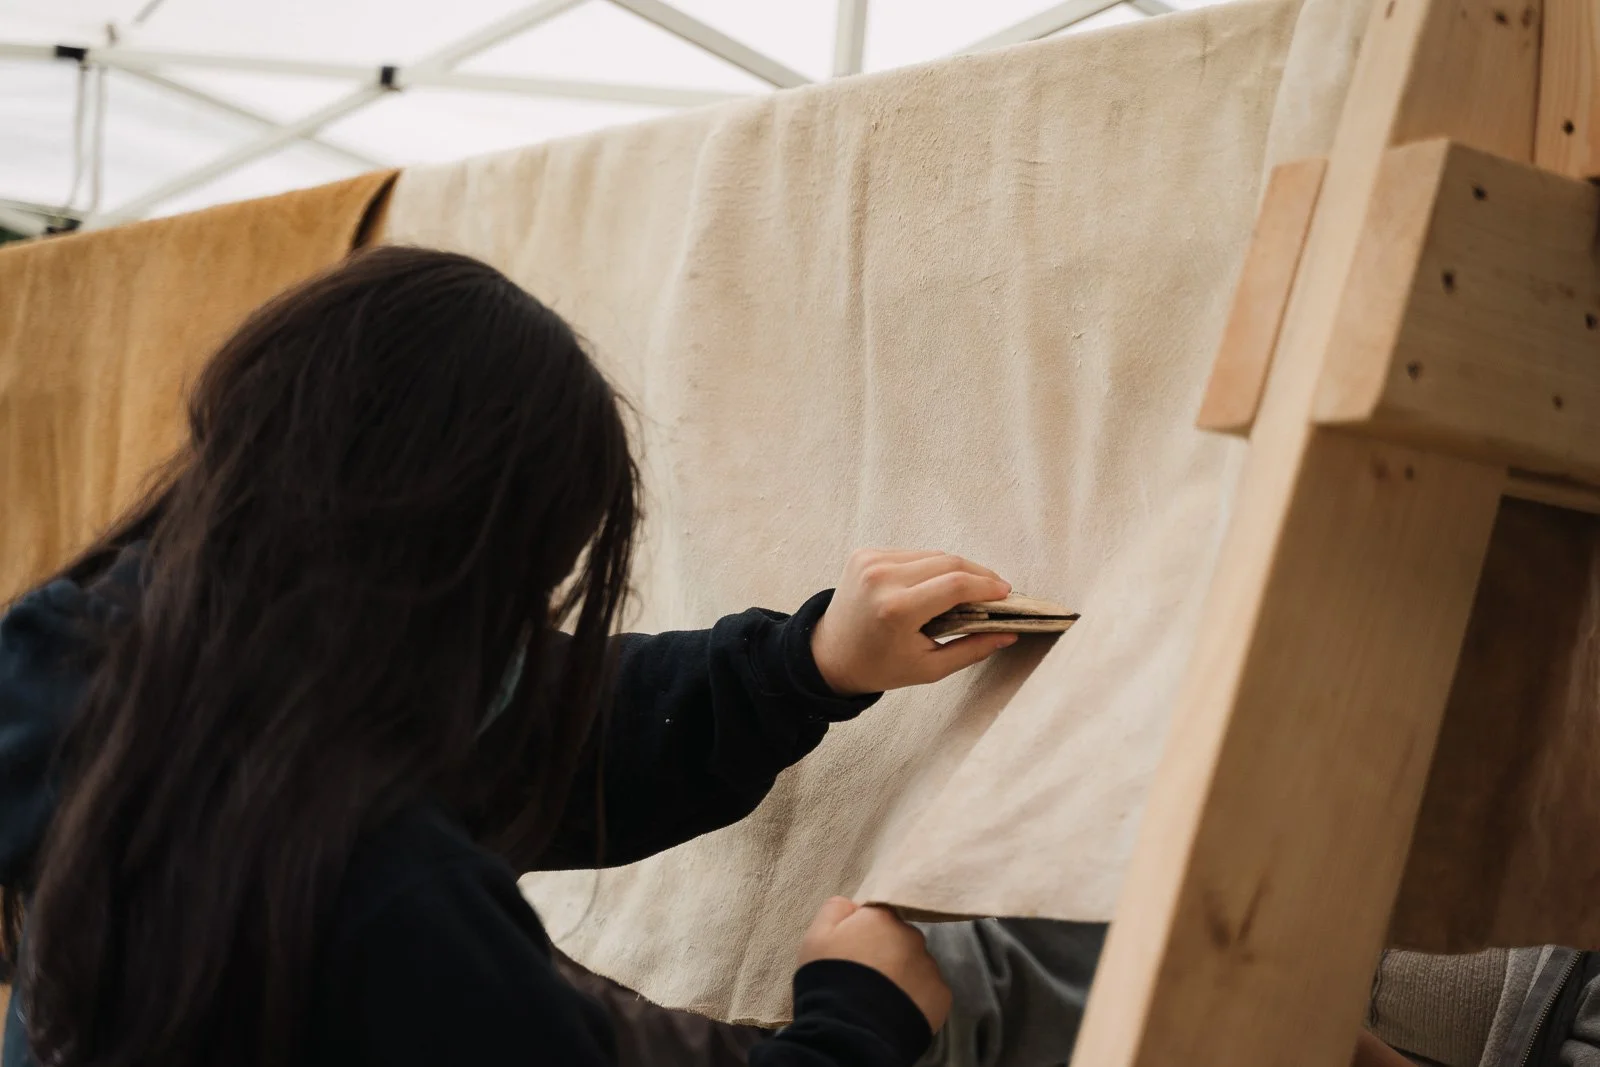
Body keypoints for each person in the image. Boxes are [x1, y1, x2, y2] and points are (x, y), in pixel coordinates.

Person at [0, 246, 1028, 1067]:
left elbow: (541, 732)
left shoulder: (124, 689)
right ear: (441, 573)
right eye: (525, 584)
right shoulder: (376, 896)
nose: (529, 627)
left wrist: (802, 664)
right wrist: (856, 1023)